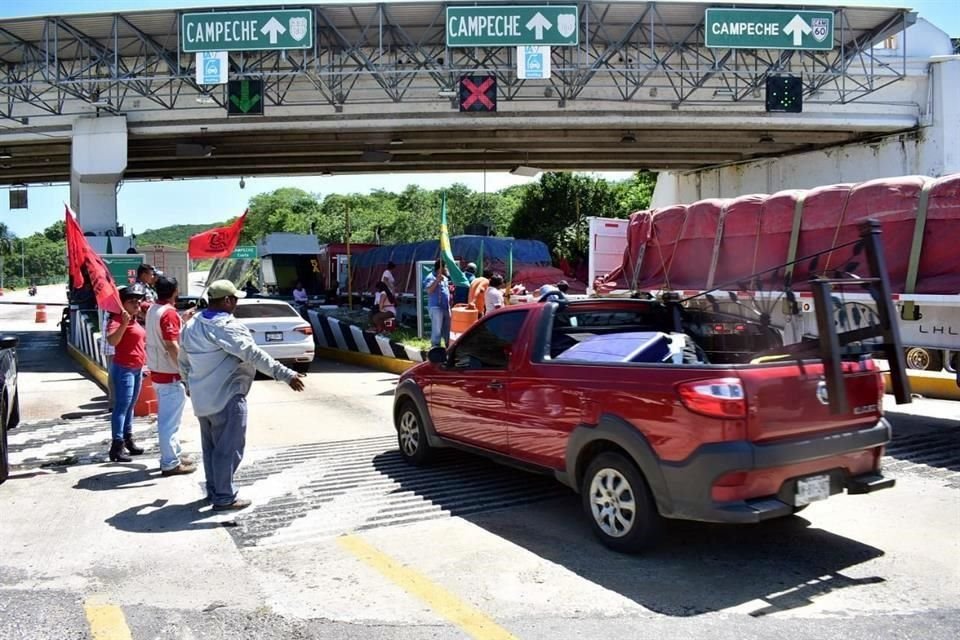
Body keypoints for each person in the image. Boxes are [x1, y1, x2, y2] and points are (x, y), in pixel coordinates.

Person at [179, 280, 305, 511]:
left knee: (211, 449)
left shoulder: (190, 325)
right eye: (235, 298)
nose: (237, 303)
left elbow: (183, 361)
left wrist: (188, 384)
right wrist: (285, 374)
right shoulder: (225, 326)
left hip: (201, 398)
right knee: (228, 449)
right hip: (227, 396)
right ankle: (225, 496)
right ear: (227, 300)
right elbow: (252, 354)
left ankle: (214, 490)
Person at [146, 275, 195, 477]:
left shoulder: (153, 309)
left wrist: (182, 320)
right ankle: (170, 463)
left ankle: (174, 454)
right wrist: (185, 372)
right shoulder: (168, 314)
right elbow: (171, 344)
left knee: (170, 421)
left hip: (159, 371)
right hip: (170, 374)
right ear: (175, 291)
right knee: (168, 423)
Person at [105, 284, 149, 463]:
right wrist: (123, 323)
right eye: (132, 301)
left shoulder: (134, 319)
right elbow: (113, 341)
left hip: (136, 368)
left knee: (130, 406)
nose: (137, 303)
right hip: (124, 368)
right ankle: (117, 445)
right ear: (122, 304)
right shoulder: (117, 320)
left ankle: (128, 439)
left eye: (138, 300)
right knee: (122, 407)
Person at [423, 258, 451, 348]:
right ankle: (435, 347)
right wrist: (437, 280)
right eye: (445, 267)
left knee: (448, 328)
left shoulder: (445, 278)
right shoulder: (430, 277)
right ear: (440, 268)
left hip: (446, 307)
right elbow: (429, 291)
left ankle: (449, 345)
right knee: (437, 329)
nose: (446, 269)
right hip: (436, 307)